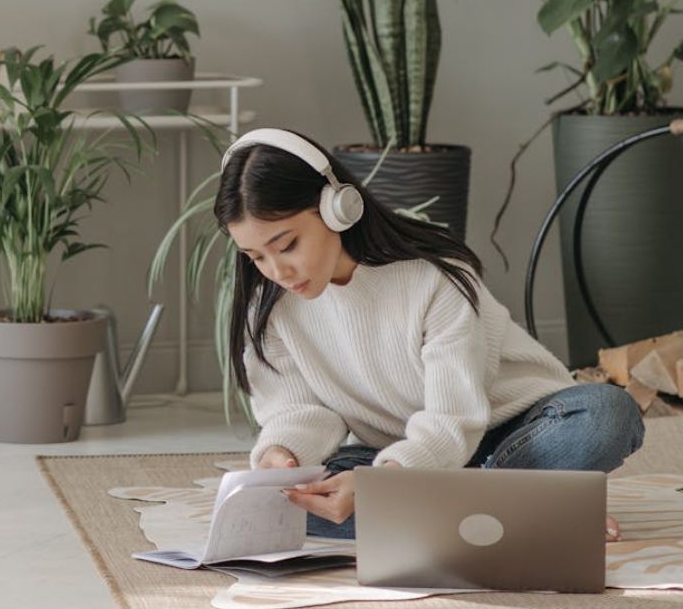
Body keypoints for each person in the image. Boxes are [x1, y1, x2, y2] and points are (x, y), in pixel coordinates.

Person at [213, 128, 645, 543]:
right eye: (256, 257)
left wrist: (384, 486)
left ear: (336, 207)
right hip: (405, 460)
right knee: (300, 502)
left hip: (514, 431)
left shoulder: (435, 279)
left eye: (287, 245)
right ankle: (529, 507)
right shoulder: (269, 309)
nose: (277, 272)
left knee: (608, 416)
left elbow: (454, 418)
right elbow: (301, 412)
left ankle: (462, 511)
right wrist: (282, 456)